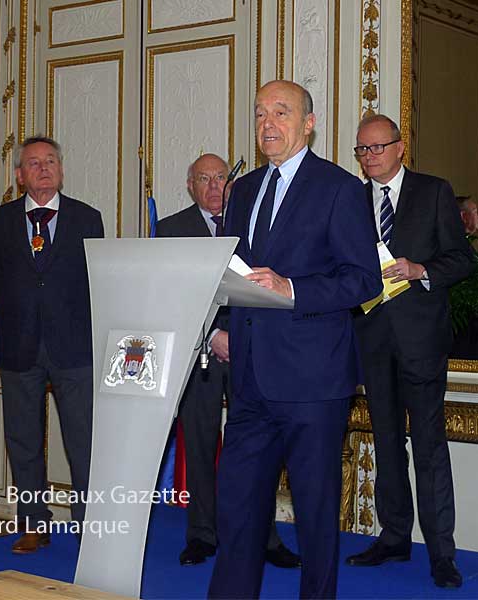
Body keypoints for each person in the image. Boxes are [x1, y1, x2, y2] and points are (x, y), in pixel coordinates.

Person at [207, 80, 382, 599]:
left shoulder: (339, 188)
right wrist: (219, 326)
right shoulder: (242, 191)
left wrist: (291, 287)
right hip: (249, 379)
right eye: (260, 112)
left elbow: (364, 280)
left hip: (312, 381)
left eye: (281, 112)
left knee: (315, 511)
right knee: (237, 508)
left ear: (308, 123)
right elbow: (230, 271)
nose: (268, 123)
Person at [345, 114, 473, 589]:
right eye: (361, 150)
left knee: (429, 446)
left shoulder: (434, 191)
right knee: (385, 443)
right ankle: (394, 536)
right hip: (371, 340)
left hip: (422, 341)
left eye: (378, 147)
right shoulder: (351, 200)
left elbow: (461, 260)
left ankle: (442, 553)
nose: (370, 156)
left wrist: (421, 269)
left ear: (401, 148)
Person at [156, 153, 299, 569]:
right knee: (199, 445)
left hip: (252, 352)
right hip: (199, 353)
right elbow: (170, 295)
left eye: (221, 177)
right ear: (190, 185)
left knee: (257, 448)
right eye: (205, 179)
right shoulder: (170, 231)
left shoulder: (251, 221)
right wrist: (213, 335)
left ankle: (264, 536)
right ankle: (202, 534)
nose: (215, 187)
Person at [0, 136, 104, 553]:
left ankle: (90, 523)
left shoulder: (88, 219)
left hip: (74, 350)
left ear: (61, 170)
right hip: (19, 348)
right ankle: (33, 522)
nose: (43, 168)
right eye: (33, 163)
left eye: (50, 161)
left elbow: (96, 283)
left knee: (84, 443)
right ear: (20, 175)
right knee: (23, 441)